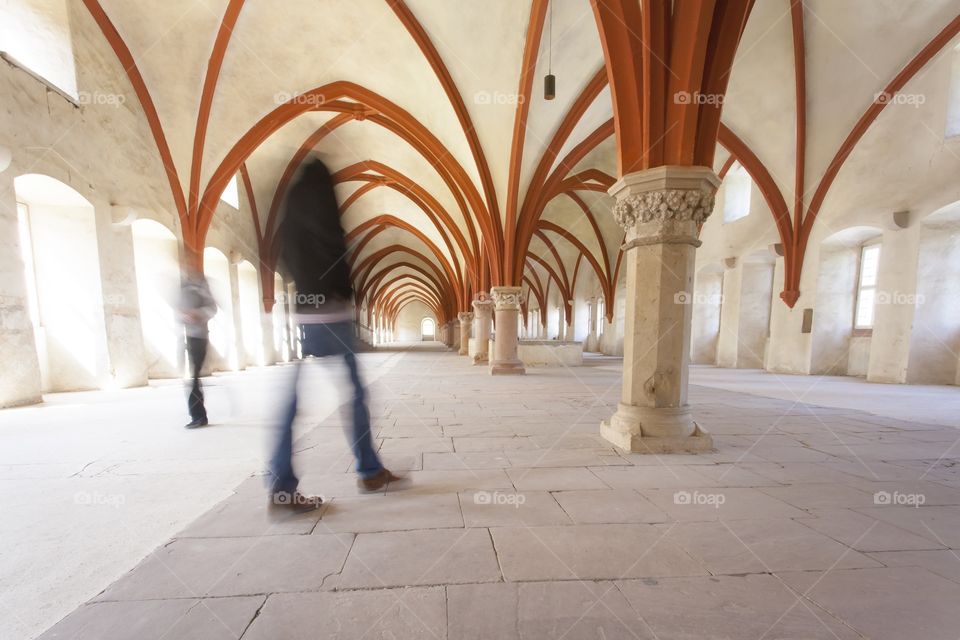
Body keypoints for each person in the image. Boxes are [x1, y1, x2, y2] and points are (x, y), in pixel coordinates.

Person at [270, 158, 400, 512]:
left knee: (293, 401)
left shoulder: (291, 207)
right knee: (355, 393)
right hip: (331, 310)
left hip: (304, 311)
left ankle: (282, 484)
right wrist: (344, 290)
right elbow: (334, 248)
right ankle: (369, 470)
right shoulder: (319, 199)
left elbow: (283, 256)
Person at [178, 266, 217, 428]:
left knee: (193, 376)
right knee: (190, 378)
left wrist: (197, 315)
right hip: (184, 336)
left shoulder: (200, 284)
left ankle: (199, 416)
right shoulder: (181, 286)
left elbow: (212, 308)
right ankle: (198, 415)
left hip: (198, 337)